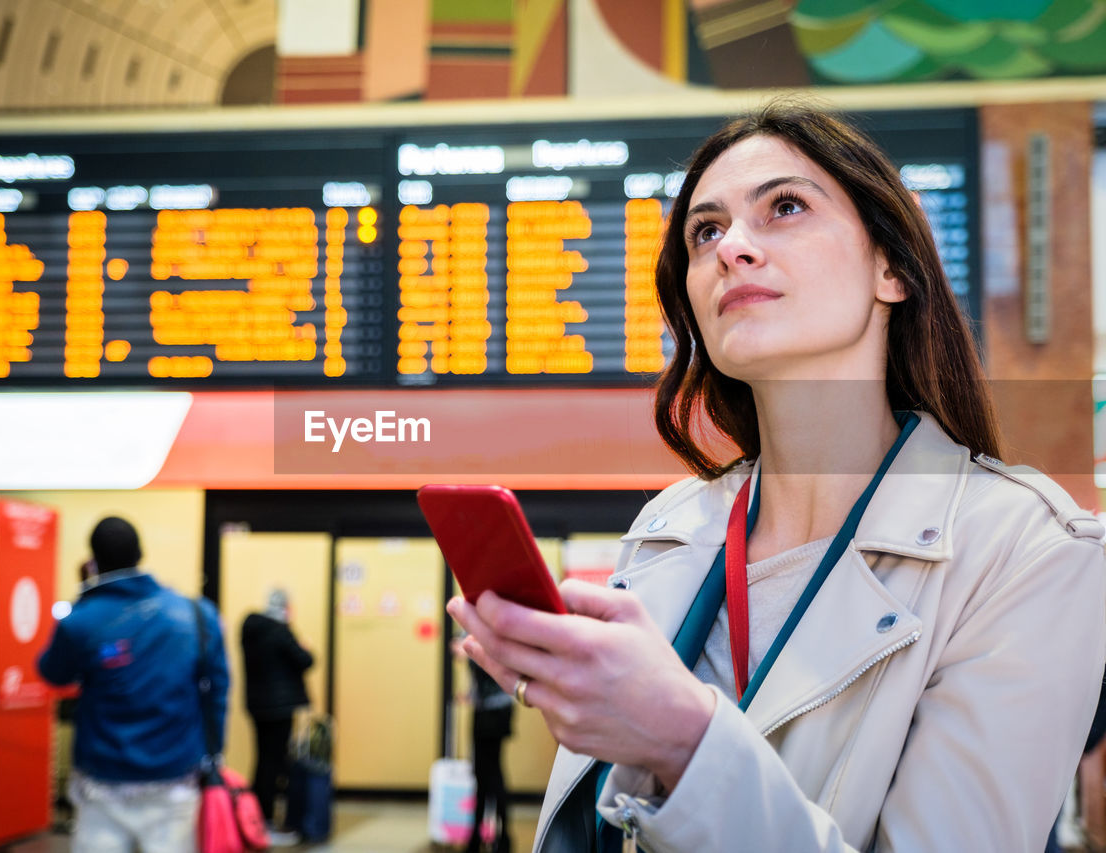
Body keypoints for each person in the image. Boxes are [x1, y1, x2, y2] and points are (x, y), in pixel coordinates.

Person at [448, 102, 1106, 852]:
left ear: (891, 267)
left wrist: (683, 743)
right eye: (706, 231)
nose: (733, 248)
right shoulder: (668, 527)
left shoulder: (1030, 550)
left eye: (785, 207)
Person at [37, 516, 228, 853]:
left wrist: (82, 599)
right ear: (141, 553)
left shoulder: (80, 621)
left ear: (94, 561)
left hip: (101, 782)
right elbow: (218, 691)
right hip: (175, 777)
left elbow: (52, 672)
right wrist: (213, 756)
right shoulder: (196, 614)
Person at [240, 588, 313, 843]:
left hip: (257, 706)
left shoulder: (250, 630)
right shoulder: (280, 631)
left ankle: (254, 819)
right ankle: (267, 823)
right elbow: (305, 660)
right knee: (275, 764)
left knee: (263, 762)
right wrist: (304, 646)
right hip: (280, 708)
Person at [465, 657, 514, 853]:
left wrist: (469, 654)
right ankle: (487, 836)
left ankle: (498, 837)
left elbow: (493, 669)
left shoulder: (487, 633)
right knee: (486, 775)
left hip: (493, 712)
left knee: (491, 775)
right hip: (489, 710)